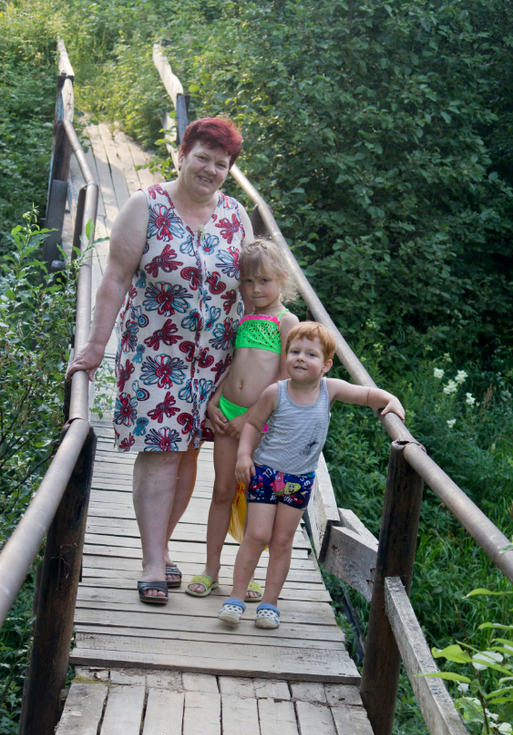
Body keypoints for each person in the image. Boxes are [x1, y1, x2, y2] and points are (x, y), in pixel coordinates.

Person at [66, 116, 253, 604]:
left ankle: (163, 545)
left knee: (188, 453)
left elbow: (255, 291)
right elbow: (114, 279)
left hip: (216, 362)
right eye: (202, 158)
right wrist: (94, 345)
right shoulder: (145, 205)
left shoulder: (237, 216)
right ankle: (152, 560)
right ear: (182, 155)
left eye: (222, 163)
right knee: (162, 450)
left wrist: (262, 354)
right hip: (156, 355)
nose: (210, 170)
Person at [217, 321, 405, 628]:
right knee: (257, 535)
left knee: (282, 542)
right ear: (286, 356)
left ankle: (269, 604)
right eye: (294, 352)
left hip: (299, 481)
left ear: (326, 365)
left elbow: (367, 395)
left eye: (311, 354)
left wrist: (390, 400)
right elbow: (252, 424)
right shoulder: (275, 392)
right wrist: (243, 455)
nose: (301, 358)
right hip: (266, 474)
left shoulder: (330, 390)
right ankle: (236, 598)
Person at [185, 239, 299, 600]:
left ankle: (246, 574)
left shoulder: (286, 321)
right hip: (227, 414)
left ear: (282, 278)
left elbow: (284, 379)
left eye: (264, 281)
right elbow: (237, 364)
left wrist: (252, 417)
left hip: (259, 422)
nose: (255, 289)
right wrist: (215, 400)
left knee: (254, 496)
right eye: (248, 282)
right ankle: (211, 569)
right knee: (222, 490)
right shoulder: (246, 317)